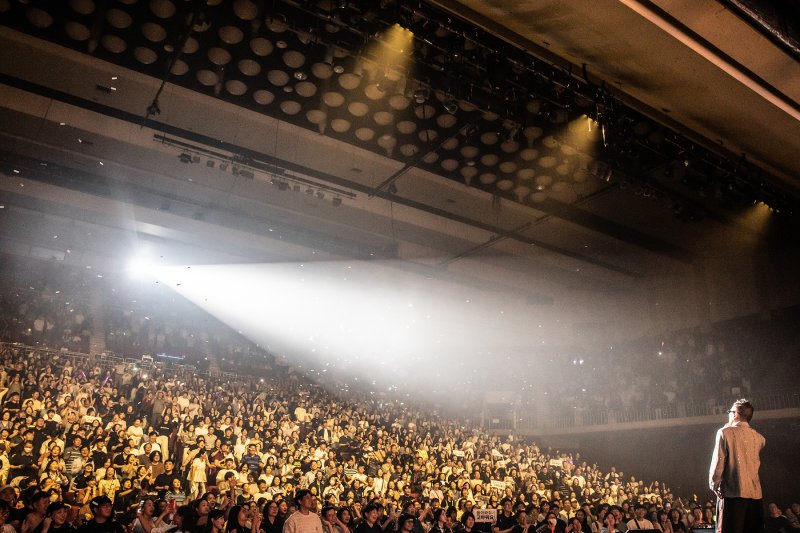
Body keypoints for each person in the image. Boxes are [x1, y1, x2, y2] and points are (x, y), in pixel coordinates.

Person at [708, 399, 765, 533]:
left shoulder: (724, 432)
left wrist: (714, 484)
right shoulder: (759, 438)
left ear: (735, 415)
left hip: (732, 493)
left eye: (730, 412)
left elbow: (719, 461)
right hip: (755, 495)